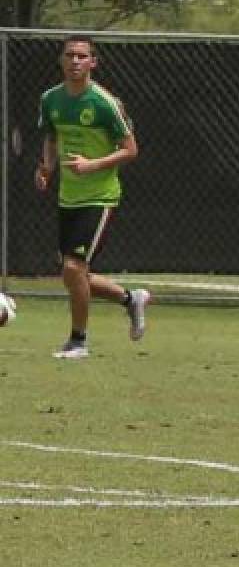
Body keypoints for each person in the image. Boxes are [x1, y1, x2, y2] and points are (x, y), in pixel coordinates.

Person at [35, 35, 149, 359]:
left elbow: (131, 149)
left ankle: (78, 341)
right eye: (69, 55)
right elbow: (52, 138)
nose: (75, 61)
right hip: (67, 196)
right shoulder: (51, 100)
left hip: (99, 196)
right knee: (74, 275)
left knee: (73, 269)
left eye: (82, 56)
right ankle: (131, 299)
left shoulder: (103, 103)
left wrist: (93, 165)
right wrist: (46, 167)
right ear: (61, 60)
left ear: (93, 63)